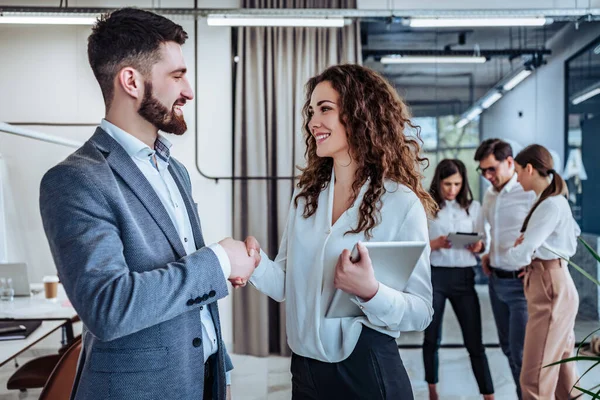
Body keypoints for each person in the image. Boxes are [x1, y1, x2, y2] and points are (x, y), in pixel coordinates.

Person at [39, 8, 258, 400]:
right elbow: (109, 306)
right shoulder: (75, 180)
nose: (188, 90)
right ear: (131, 81)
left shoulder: (174, 169)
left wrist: (219, 364)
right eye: (176, 76)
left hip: (202, 380)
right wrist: (219, 261)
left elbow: (186, 282)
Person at [244, 64, 436, 399]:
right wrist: (254, 262)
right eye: (311, 111)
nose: (312, 122)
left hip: (368, 367)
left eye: (325, 109)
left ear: (360, 115)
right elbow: (285, 285)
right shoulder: (307, 199)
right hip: (306, 371)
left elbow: (421, 312)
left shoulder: (401, 203)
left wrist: (370, 292)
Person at [505, 144, 581, 400]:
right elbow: (574, 234)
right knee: (562, 373)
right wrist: (532, 245)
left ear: (529, 168)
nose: (515, 178)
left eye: (517, 171)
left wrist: (518, 248)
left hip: (549, 286)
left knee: (534, 377)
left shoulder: (549, 205)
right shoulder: (552, 201)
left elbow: (523, 253)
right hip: (555, 282)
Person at [423, 159, 494, 400]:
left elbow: (485, 242)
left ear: (463, 183)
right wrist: (435, 243)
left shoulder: (474, 208)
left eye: (456, 184)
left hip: (465, 278)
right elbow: (417, 244)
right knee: (432, 338)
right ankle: (433, 391)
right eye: (446, 184)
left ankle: (488, 395)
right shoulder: (428, 207)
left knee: (475, 341)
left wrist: (479, 245)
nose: (452, 189)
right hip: (436, 278)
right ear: (438, 183)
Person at [474, 138, 535, 399]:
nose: (488, 176)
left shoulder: (529, 192)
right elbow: (491, 232)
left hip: (522, 285)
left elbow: (551, 233)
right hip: (496, 282)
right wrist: (488, 253)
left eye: (492, 169)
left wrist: (537, 263)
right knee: (508, 350)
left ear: (509, 162)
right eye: (483, 171)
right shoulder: (490, 195)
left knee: (523, 354)